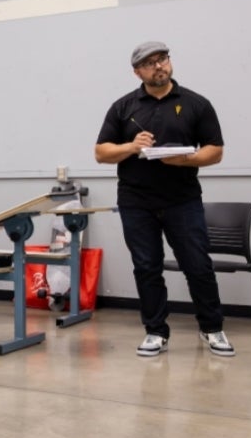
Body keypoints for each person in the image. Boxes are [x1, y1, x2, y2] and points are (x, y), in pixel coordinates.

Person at [95, 41, 234, 358]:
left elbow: (216, 151)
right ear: (137, 72)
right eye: (150, 63)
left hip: (182, 200)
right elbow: (101, 152)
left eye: (163, 59)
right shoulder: (123, 107)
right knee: (146, 266)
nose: (159, 66)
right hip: (135, 201)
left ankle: (212, 328)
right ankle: (155, 332)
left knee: (197, 265)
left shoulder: (196, 104)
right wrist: (131, 147)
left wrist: (186, 160)